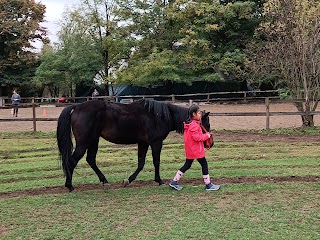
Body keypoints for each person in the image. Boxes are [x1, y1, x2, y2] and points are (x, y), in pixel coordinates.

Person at [169, 104, 220, 191]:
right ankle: (208, 184)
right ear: (194, 114)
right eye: (199, 113)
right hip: (196, 150)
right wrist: (206, 136)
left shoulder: (190, 124)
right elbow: (197, 137)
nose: (200, 115)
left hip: (191, 150)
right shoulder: (194, 125)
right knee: (204, 164)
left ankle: (174, 181)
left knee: (187, 165)